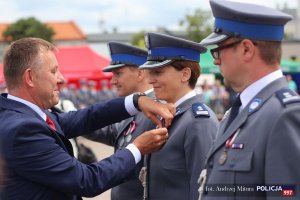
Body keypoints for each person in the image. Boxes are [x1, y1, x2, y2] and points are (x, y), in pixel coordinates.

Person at [0, 37, 175, 200]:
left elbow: (84, 118)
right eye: (54, 71)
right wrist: (136, 148)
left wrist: (136, 101)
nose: (62, 79)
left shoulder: (21, 116)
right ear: (30, 77)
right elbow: (87, 180)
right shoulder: (22, 129)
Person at [198, 0, 300, 199]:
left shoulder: (284, 115)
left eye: (219, 50)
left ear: (246, 49)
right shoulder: (237, 111)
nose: (216, 60)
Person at [139, 32, 218, 200]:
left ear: (185, 74)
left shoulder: (198, 122)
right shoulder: (168, 114)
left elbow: (202, 191)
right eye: (150, 72)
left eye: (158, 72)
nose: (151, 80)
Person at [84, 41, 156, 200]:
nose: (112, 81)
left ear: (140, 73)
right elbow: (110, 133)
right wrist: (69, 119)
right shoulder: (132, 108)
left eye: (118, 74)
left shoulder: (156, 109)